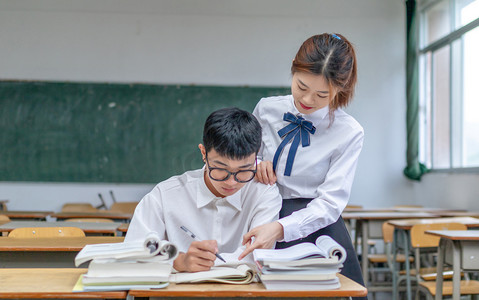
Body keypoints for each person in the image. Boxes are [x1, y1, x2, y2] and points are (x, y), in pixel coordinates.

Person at [239, 33, 366, 289]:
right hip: (261, 214)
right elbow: (241, 157)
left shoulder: (349, 131)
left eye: (322, 95)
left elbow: (331, 203)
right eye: (301, 86)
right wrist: (256, 164)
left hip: (315, 227)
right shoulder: (266, 109)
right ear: (293, 71)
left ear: (341, 89)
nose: (307, 100)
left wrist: (281, 228)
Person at [125, 107, 282, 273]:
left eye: (244, 170)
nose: (231, 182)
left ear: (256, 157)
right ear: (203, 153)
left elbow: (257, 257)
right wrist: (178, 261)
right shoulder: (164, 196)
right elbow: (132, 254)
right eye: (221, 168)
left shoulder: (264, 194)